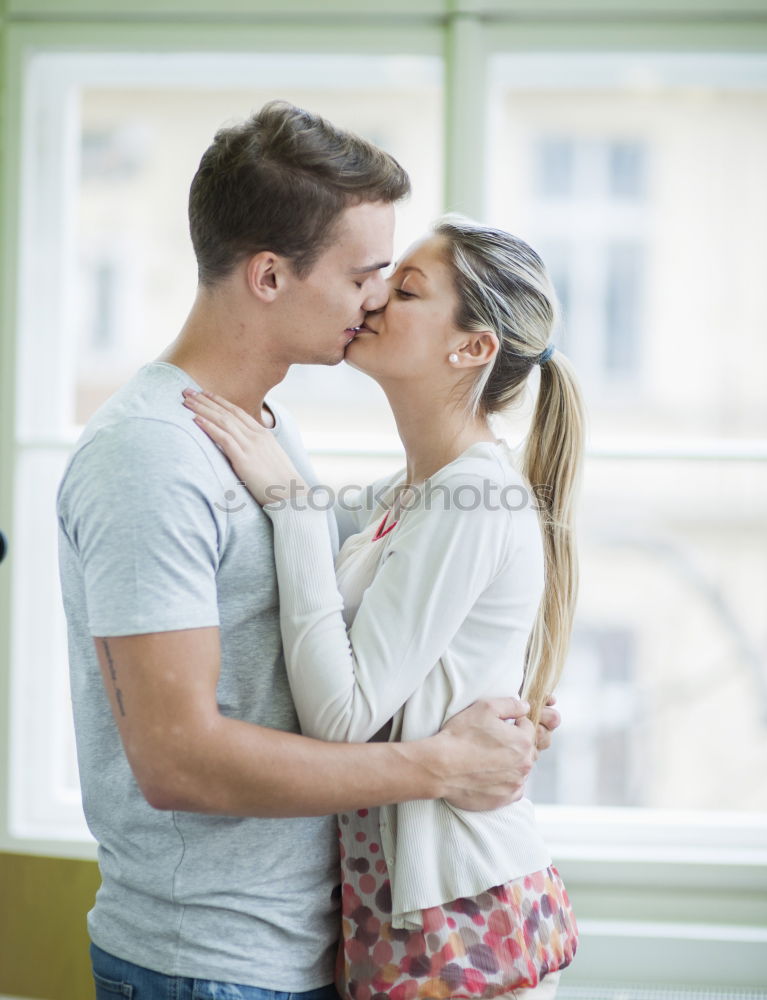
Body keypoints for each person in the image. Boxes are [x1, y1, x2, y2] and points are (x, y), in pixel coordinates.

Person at [56, 101, 560, 999]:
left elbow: (377, 621)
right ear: (267, 278)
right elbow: (176, 759)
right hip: (207, 964)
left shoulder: (263, 434)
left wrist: (492, 711)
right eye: (368, 274)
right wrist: (439, 763)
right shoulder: (150, 455)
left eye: (394, 283)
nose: (373, 299)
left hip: (314, 943)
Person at [182, 214, 585, 998]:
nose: (369, 301)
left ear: (470, 349)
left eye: (403, 290)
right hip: (397, 907)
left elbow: (343, 716)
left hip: (456, 914)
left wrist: (294, 510)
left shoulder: (472, 496)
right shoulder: (413, 493)